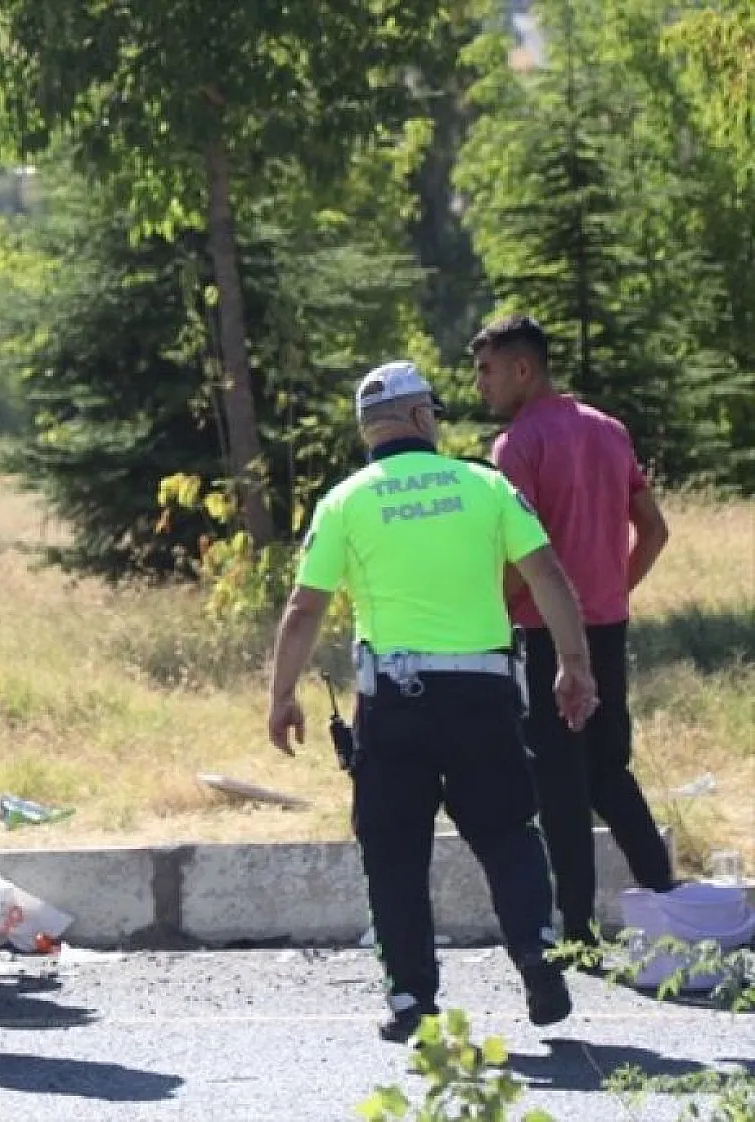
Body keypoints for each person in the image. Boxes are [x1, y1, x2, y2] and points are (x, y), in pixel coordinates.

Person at [266, 360, 595, 1043]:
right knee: (506, 830)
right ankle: (537, 952)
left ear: (369, 431)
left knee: (393, 848)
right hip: (484, 694)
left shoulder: (346, 501)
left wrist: (282, 696)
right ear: (421, 418)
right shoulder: (486, 485)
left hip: (395, 701)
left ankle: (411, 999)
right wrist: (574, 665)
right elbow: (548, 575)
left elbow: (304, 609)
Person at [471, 314, 676, 946]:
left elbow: (518, 557)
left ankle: (578, 933)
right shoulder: (609, 431)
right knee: (611, 771)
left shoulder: (516, 446)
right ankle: (670, 907)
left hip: (543, 637)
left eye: (487, 370)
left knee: (558, 782)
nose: (480, 385)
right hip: (607, 630)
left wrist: (492, 614)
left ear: (523, 369)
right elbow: (656, 530)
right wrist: (613, 591)